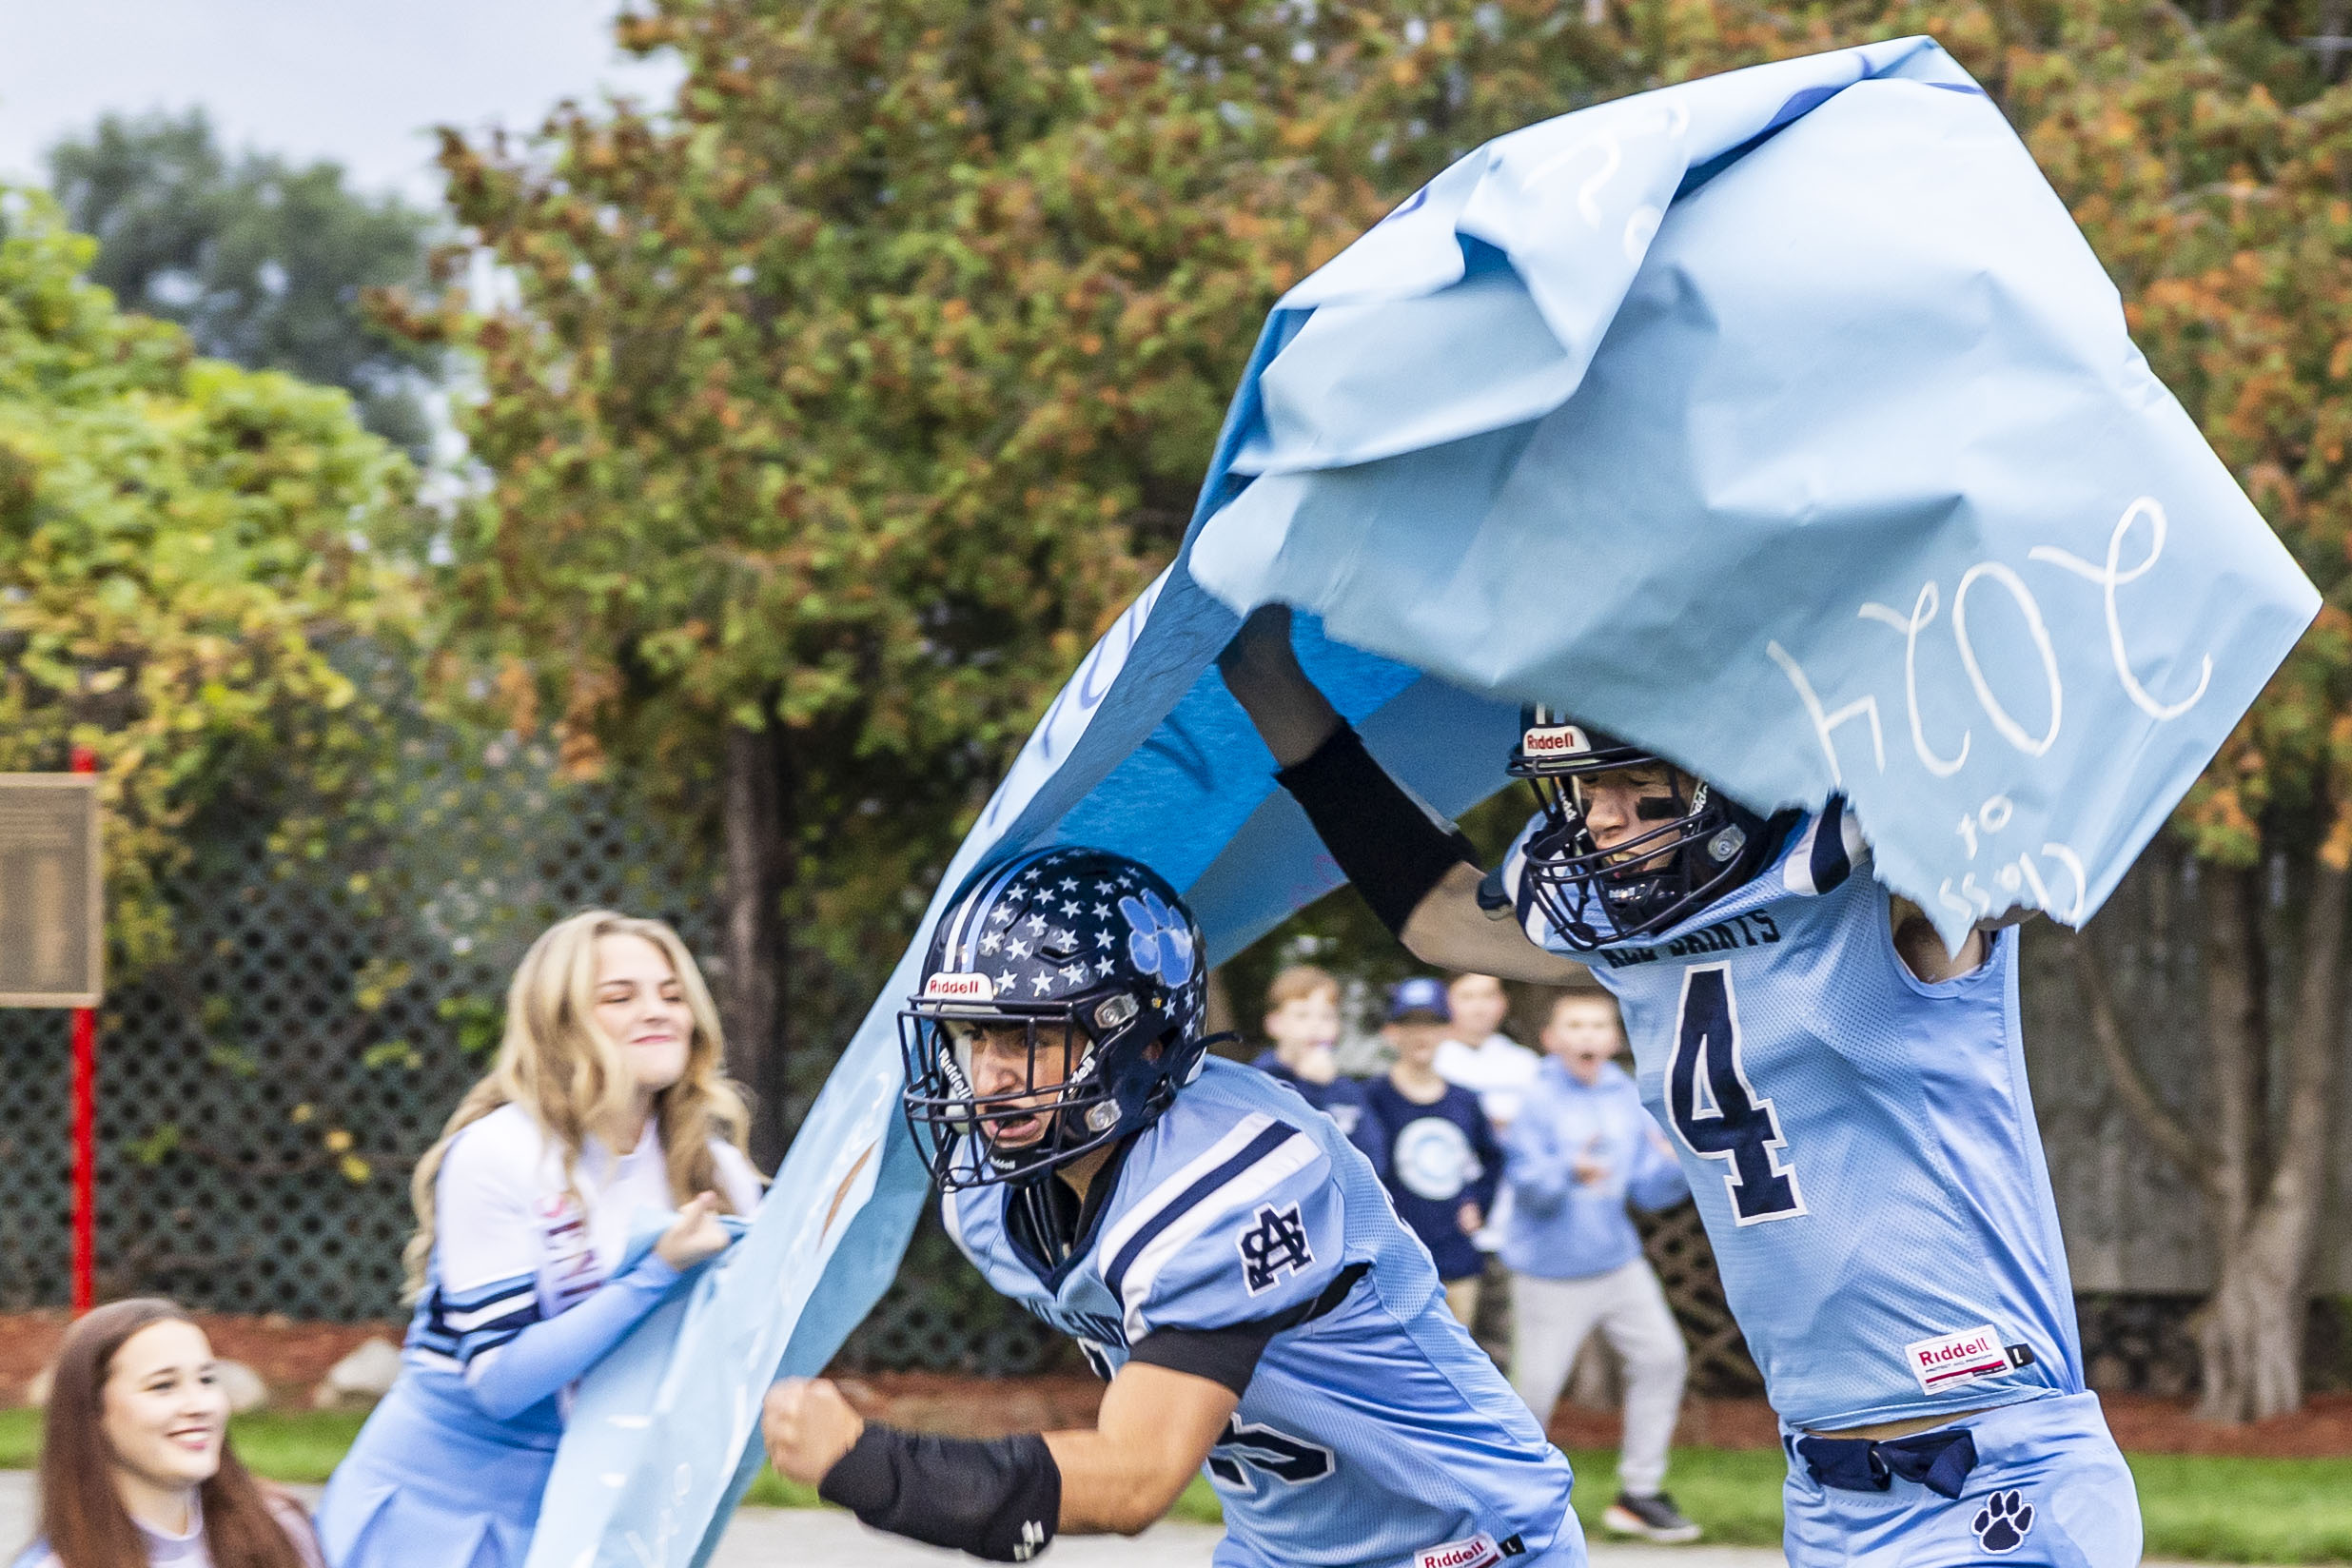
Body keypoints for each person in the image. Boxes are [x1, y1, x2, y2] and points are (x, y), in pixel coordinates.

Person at [1218, 605, 2141, 1567]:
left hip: (1993, 1462)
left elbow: (2012, 859)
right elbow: (1442, 916)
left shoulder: (1880, 896)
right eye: (1581, 788)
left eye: (1632, 781)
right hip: (1827, 1488)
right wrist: (1269, 682)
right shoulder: (1636, 943)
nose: (1599, 816)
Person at [762, 847, 1582, 1568]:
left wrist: (871, 1463)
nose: (989, 1077)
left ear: (1142, 1038)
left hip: (1462, 1544)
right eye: (973, 1037)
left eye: (1026, 1038)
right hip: (1281, 1550)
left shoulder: (1234, 1175)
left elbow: (1137, 1477)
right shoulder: (999, 1194)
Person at [315, 911, 763, 1567]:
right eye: (620, 997)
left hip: (595, 1517)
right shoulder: (496, 1153)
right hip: (438, 1518)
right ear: (561, 1021)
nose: (658, 1011)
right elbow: (499, 1381)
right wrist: (655, 1272)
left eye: (672, 994)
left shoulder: (716, 1170)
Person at [1504, 991, 1696, 1544]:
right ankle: (1512, 1505)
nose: (1588, 1036)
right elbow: (1527, 1187)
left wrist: (1674, 1165)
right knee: (1535, 1394)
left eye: (1598, 1026)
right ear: (1551, 1039)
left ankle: (1639, 1495)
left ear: (1614, 1040)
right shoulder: (1536, 1096)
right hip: (1548, 1271)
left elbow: (1647, 1192)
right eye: (1575, 1026)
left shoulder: (1625, 1094)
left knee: (1663, 1359)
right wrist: (1570, 1169)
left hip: (1617, 1261)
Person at [12, 1298, 322, 1568]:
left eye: (206, 1379)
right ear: (93, 1412)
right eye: (163, 1385)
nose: (198, 1405)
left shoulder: (281, 1527)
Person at [1352, 977, 1503, 1329]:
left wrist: (1479, 1203)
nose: (1422, 1036)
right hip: (1395, 1261)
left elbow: (1492, 1158)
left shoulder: (1464, 1099)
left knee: (1459, 1354)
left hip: (1455, 1256)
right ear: (1392, 1032)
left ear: (1449, 1030)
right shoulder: (1371, 1097)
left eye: (1432, 1025)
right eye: (1410, 1025)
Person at [1247, 963, 1363, 1137]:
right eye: (1302, 1015)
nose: (1315, 1026)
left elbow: (1372, 1153)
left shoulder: (1346, 1090)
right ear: (1274, 1023)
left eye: (1327, 1016)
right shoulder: (1256, 1083)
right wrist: (1311, 1087)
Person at [1434, 973, 1540, 1133]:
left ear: (1504, 1002)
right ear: (1446, 1002)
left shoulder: (1526, 1062)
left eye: (1488, 995)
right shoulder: (1433, 1060)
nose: (1479, 1007)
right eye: (1467, 997)